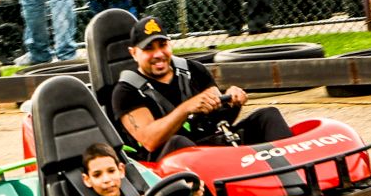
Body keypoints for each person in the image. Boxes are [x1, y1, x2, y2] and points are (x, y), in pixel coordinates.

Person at [112, 15, 292, 161]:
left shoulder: (193, 70)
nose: (158, 54)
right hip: (168, 161)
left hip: (208, 147)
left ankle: (296, 177)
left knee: (268, 115)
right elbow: (150, 141)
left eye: (163, 45)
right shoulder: (126, 91)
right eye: (149, 48)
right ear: (134, 53)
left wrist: (232, 101)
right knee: (179, 142)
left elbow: (219, 120)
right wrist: (186, 109)